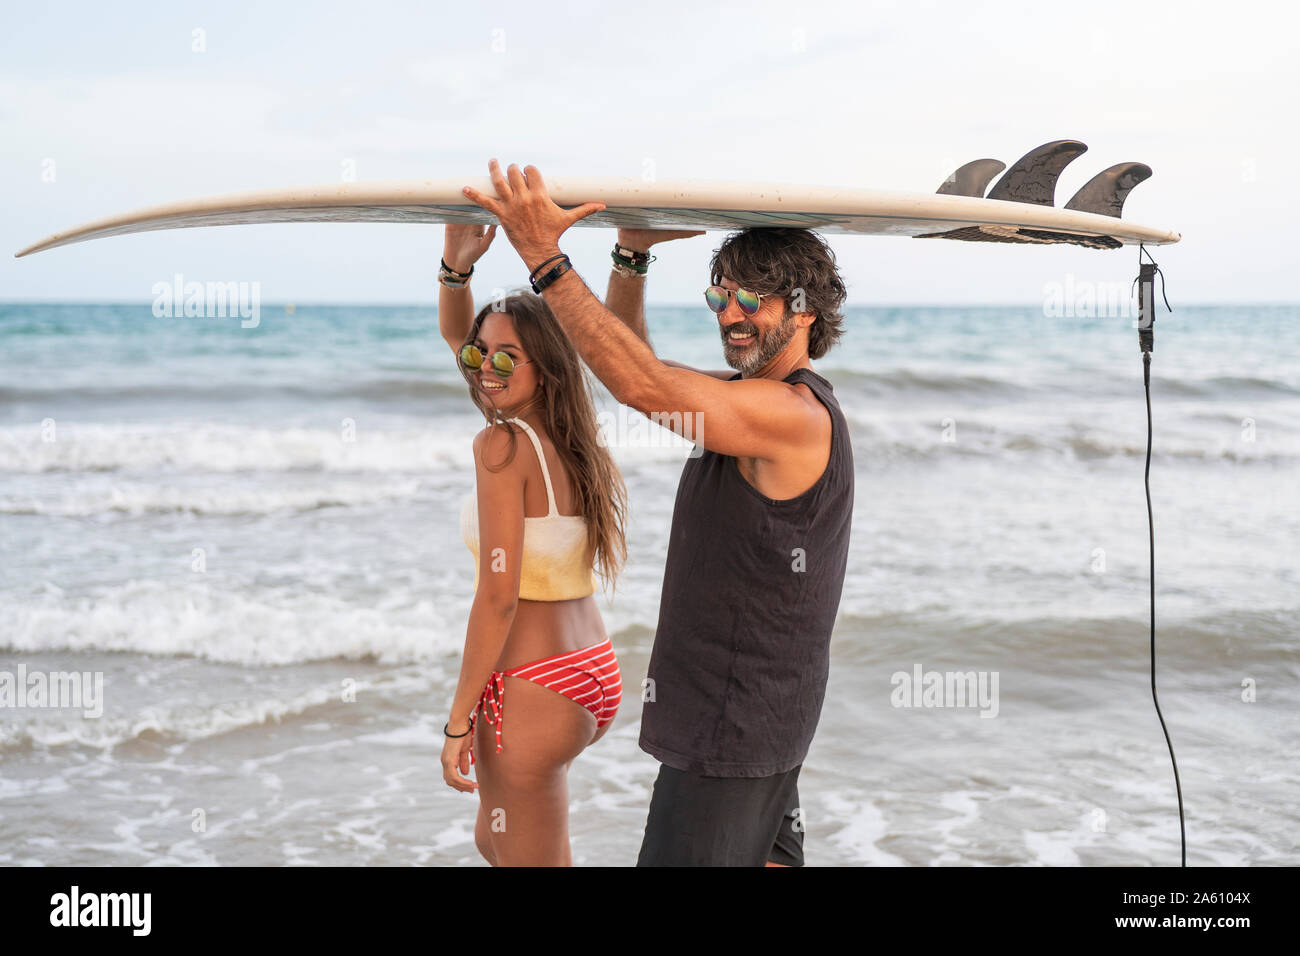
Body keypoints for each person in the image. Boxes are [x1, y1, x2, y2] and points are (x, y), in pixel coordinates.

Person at [463, 160, 855, 867]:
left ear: (804, 309)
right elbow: (638, 369)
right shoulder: (751, 400)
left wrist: (544, 259)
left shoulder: (788, 413)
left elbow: (640, 384)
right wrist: (631, 257)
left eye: (752, 299)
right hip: (763, 712)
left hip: (734, 723)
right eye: (721, 297)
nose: (731, 315)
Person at [436, 223, 629, 867]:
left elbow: (497, 598)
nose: (484, 371)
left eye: (504, 358)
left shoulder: (502, 446)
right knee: (496, 840)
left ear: (541, 368)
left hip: (532, 686)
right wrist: (455, 270)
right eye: (477, 356)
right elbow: (467, 346)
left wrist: (458, 720)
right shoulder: (570, 442)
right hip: (588, 672)